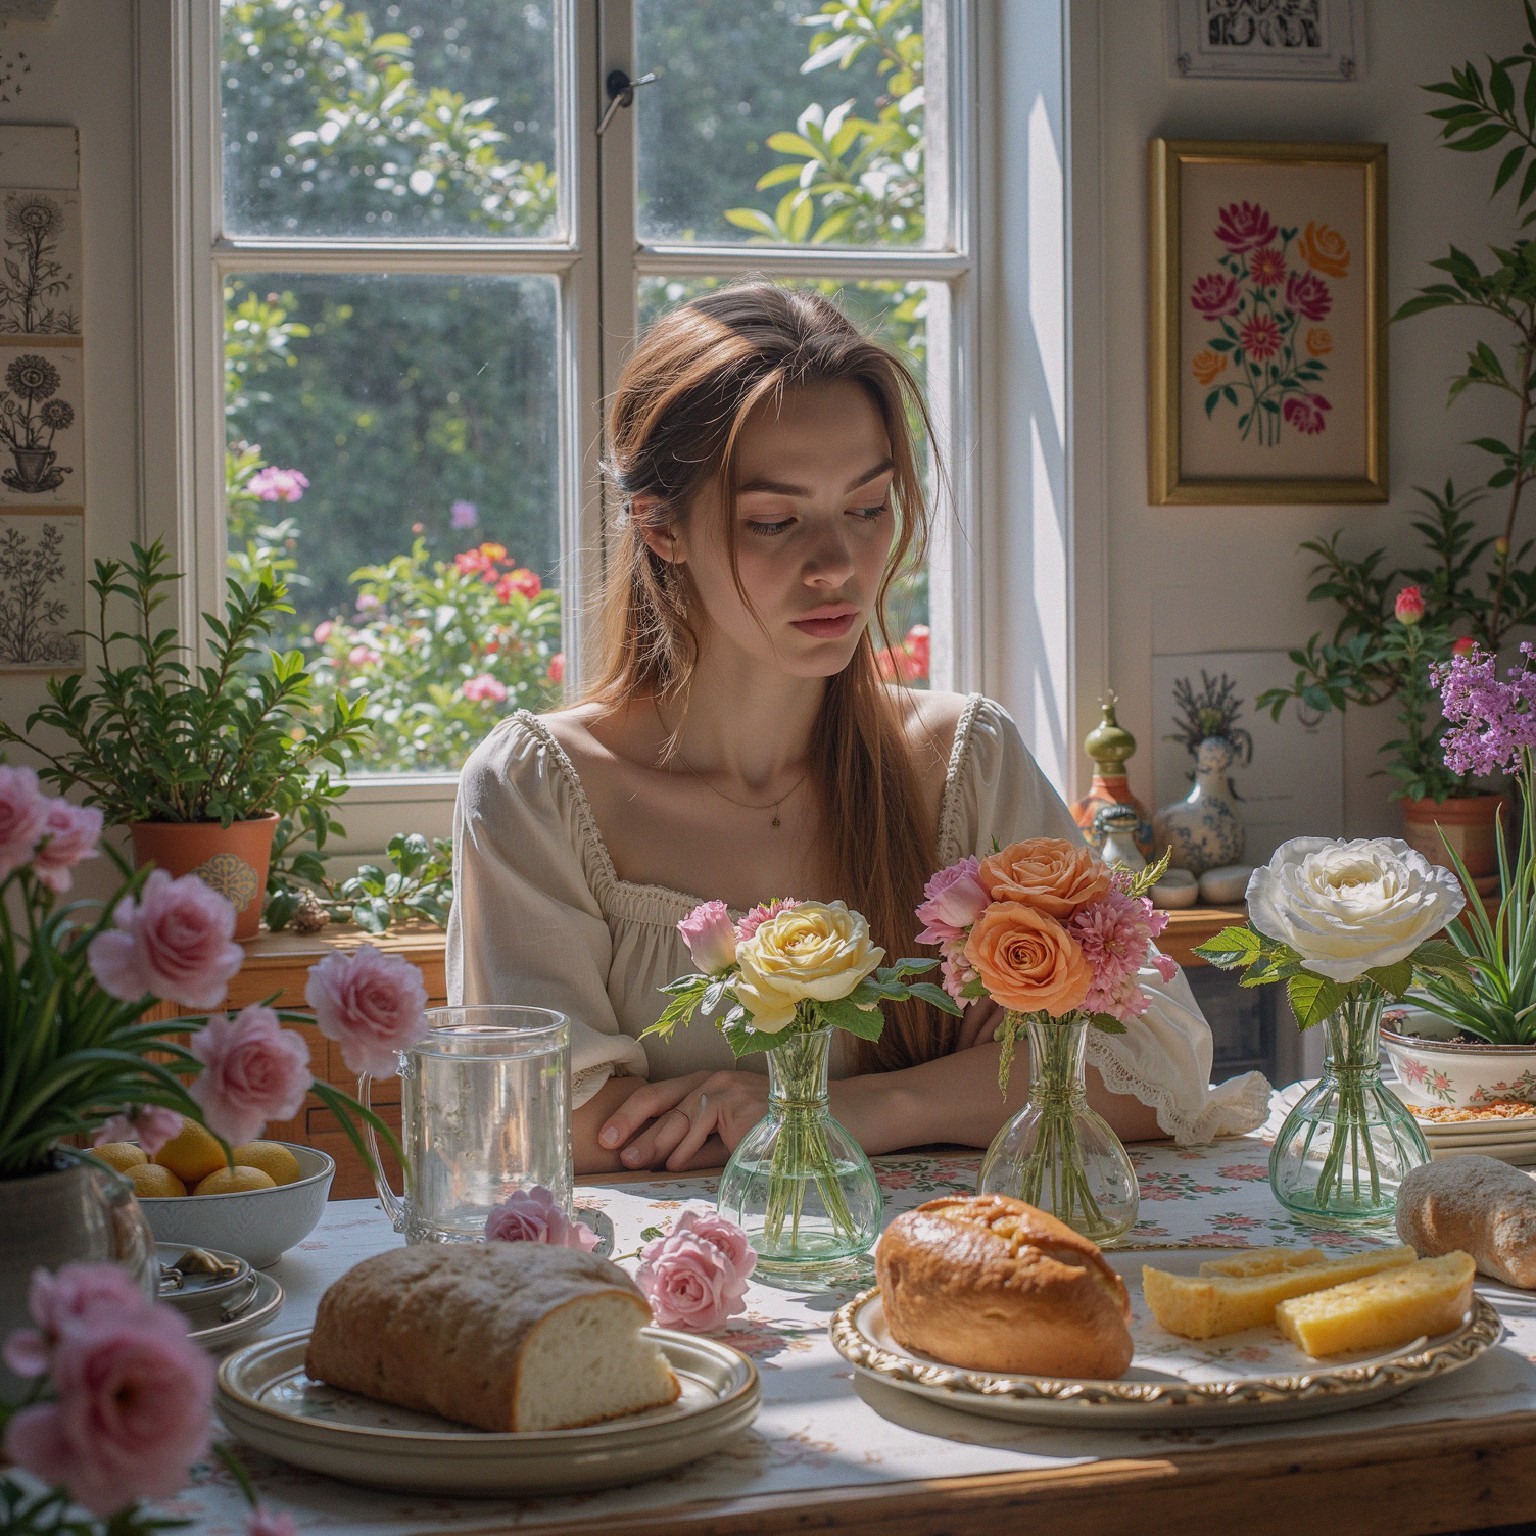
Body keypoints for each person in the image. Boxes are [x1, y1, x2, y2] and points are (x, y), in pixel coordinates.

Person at [447, 283, 1269, 1175]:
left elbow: (1153, 1067)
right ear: (659, 527)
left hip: (955, 1258)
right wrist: (983, 1077)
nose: (838, 564)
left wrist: (836, 1109)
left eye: (868, 507)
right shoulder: (539, 790)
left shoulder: (965, 763)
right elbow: (548, 1126)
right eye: (774, 521)